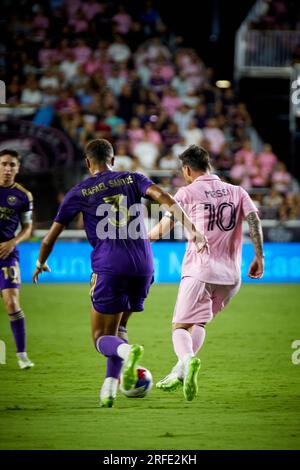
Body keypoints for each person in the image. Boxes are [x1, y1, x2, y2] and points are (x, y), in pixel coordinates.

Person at [32, 139, 207, 408]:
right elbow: (164, 198)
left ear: (88, 163)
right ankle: (109, 390)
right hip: (144, 265)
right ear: (113, 160)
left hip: (110, 266)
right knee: (119, 328)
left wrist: (41, 262)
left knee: (101, 338)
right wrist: (191, 229)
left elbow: (49, 238)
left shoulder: (79, 191)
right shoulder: (132, 178)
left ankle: (128, 352)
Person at [149, 145, 264, 402]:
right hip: (231, 275)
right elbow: (254, 221)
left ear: (187, 169)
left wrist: (141, 241)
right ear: (208, 164)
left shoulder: (187, 192)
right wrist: (259, 256)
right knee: (199, 322)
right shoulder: (237, 191)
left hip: (200, 270)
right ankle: (178, 372)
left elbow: (162, 229)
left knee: (179, 326)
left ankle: (187, 361)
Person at [0, 149, 34, 369]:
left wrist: (13, 242)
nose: (7, 169)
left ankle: (22, 356)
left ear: (18, 168)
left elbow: (28, 227)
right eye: (4, 164)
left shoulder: (23, 196)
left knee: (12, 302)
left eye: (12, 165)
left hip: (7, 254)